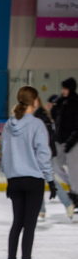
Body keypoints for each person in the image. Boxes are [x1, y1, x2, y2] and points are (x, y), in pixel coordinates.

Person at [1, 86, 55, 259]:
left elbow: (5, 154)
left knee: (17, 223)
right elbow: (43, 154)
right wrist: (50, 179)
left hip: (15, 180)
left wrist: (8, 178)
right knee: (29, 225)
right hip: (33, 181)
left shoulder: (8, 124)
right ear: (34, 101)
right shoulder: (37, 124)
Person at [34, 92, 72, 220]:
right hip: (43, 153)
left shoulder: (41, 117)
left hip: (43, 153)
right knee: (42, 180)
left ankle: (67, 203)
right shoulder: (40, 116)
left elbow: (45, 138)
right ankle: (42, 209)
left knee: (47, 179)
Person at [51, 77, 78, 211]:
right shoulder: (61, 102)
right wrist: (57, 102)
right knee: (55, 164)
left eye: (65, 88)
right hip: (59, 140)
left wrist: (70, 142)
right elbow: (54, 117)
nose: (63, 91)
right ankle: (73, 187)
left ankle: (75, 193)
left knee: (74, 170)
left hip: (73, 142)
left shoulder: (76, 102)